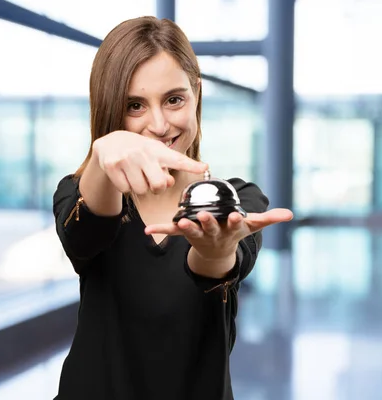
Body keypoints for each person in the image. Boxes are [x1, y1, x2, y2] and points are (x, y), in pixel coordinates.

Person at [52, 16, 293, 399]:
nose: (160, 125)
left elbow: (214, 270)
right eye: (135, 106)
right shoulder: (80, 192)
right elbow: (85, 234)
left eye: (174, 99)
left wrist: (216, 250)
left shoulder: (239, 199)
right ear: (109, 108)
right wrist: (103, 155)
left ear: (196, 94)